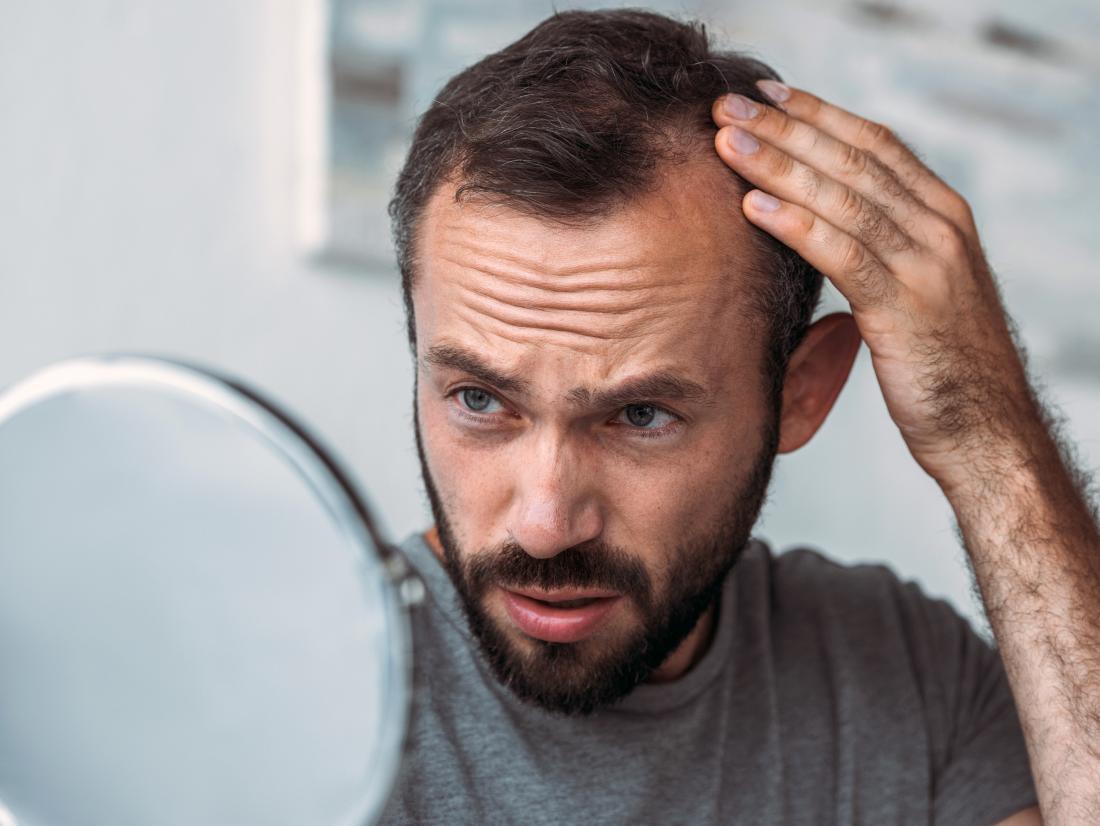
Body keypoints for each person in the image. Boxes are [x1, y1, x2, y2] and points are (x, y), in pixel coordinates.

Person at [379, 9, 1098, 824]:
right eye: (480, 401)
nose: (546, 525)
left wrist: (989, 438)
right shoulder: (294, 691)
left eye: (641, 415)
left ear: (802, 393)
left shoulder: (902, 676)